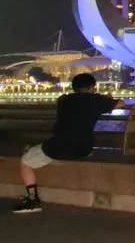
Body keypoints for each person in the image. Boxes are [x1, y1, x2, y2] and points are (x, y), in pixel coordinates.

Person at [13, 73, 123, 214]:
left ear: (73, 87)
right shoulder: (98, 100)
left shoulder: (63, 100)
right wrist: (105, 99)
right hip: (84, 149)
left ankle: (33, 200)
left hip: (58, 148)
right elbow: (121, 103)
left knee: (25, 161)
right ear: (93, 87)